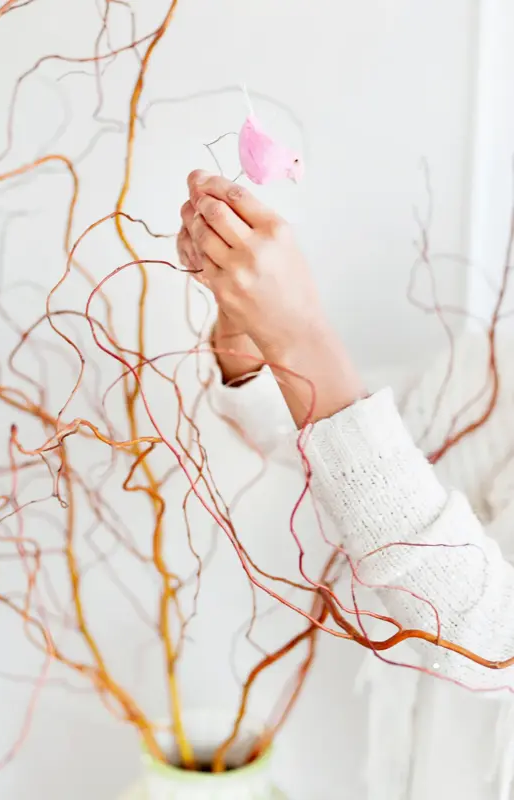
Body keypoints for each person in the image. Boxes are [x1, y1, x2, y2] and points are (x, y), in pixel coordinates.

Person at [176, 170, 514, 800]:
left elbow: (492, 633)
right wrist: (245, 323)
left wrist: (300, 334)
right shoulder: (495, 360)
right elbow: (332, 443)